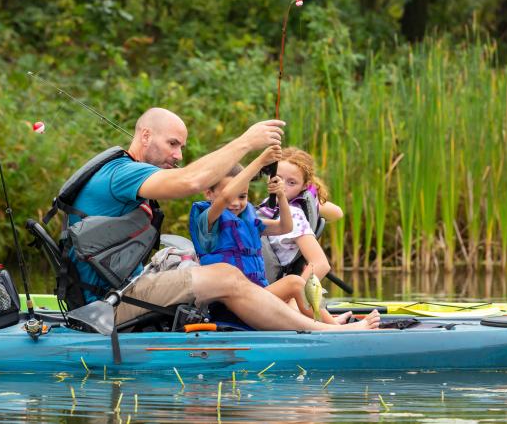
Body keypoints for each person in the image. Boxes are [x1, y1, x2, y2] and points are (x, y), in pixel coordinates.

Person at [69, 107, 379, 331]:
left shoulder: (126, 174)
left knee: (219, 271)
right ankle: (328, 332)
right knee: (225, 274)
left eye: (182, 147)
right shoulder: (123, 173)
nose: (178, 156)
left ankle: (301, 318)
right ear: (146, 136)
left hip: (123, 292)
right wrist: (248, 143)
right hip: (104, 307)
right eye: (173, 144)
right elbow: (191, 182)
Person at [188, 147, 351, 325]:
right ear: (209, 193)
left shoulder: (249, 222)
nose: (235, 203)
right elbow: (225, 198)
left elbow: (285, 226)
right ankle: (334, 328)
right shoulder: (207, 221)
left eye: (242, 196)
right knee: (295, 283)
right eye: (232, 196)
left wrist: (280, 195)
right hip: (229, 304)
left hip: (254, 297)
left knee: (295, 282)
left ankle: (329, 324)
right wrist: (260, 161)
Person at [259, 147, 342, 281]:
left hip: (275, 290)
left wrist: (295, 295)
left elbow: (320, 264)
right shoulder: (268, 207)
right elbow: (337, 212)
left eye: (291, 183)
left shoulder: (294, 214)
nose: (282, 186)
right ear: (269, 176)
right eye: (278, 179)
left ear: (305, 186)